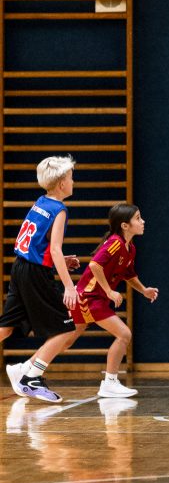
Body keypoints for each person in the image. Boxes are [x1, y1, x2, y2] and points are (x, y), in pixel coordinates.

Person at [1, 155, 81, 403]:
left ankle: (25, 372)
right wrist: (69, 286)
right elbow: (54, 249)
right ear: (62, 184)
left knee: (5, 327)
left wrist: (59, 260)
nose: (73, 182)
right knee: (66, 331)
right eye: (71, 178)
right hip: (35, 274)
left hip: (20, 267)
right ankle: (31, 378)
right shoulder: (59, 210)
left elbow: (38, 245)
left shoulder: (40, 202)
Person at [71, 203, 159, 399]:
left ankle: (29, 369)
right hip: (88, 297)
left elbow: (129, 275)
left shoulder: (130, 248)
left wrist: (144, 290)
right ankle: (110, 383)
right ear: (125, 225)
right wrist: (109, 291)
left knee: (67, 337)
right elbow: (95, 265)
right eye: (138, 218)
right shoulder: (115, 243)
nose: (143, 221)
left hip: (95, 298)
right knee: (124, 334)